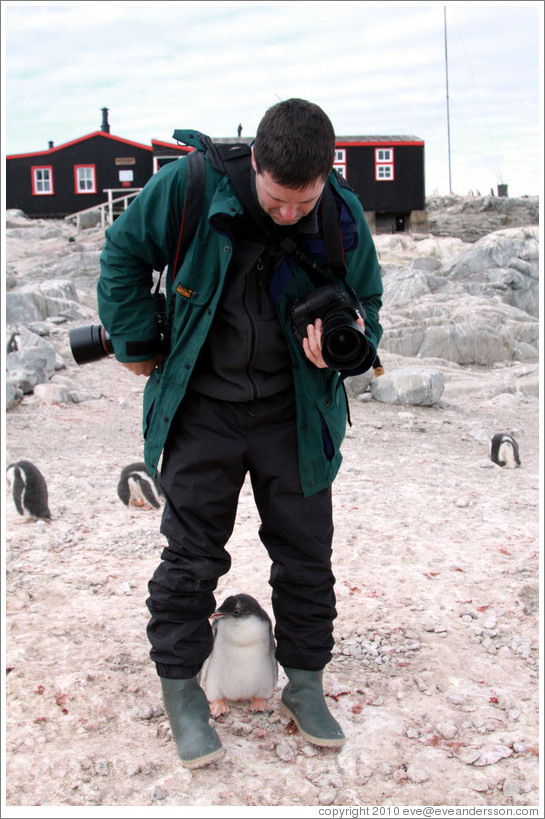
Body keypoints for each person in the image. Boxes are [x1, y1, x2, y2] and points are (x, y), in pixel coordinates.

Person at [97, 98, 383, 768]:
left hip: (295, 412)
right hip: (204, 405)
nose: (289, 214)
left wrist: (347, 336)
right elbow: (122, 253)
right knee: (191, 558)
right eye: (277, 200)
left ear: (326, 176)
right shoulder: (191, 185)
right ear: (254, 160)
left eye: (302, 202)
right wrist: (136, 337)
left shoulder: (340, 214)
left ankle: (305, 685)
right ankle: (182, 695)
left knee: (307, 555)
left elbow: (368, 302)